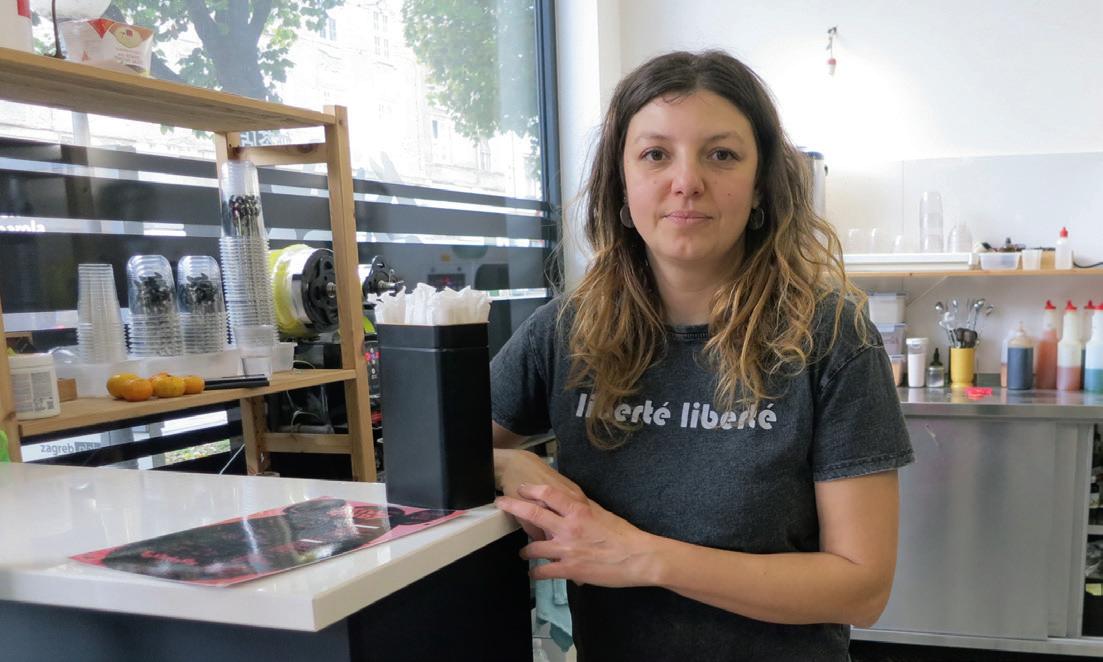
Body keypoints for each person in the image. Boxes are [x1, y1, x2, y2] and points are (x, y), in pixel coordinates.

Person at [490, 50, 913, 661]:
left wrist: (643, 557)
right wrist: (507, 464)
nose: (687, 181)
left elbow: (862, 588)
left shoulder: (830, 338)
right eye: (655, 154)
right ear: (620, 184)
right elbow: (436, 450)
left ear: (761, 185)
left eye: (721, 155)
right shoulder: (566, 331)